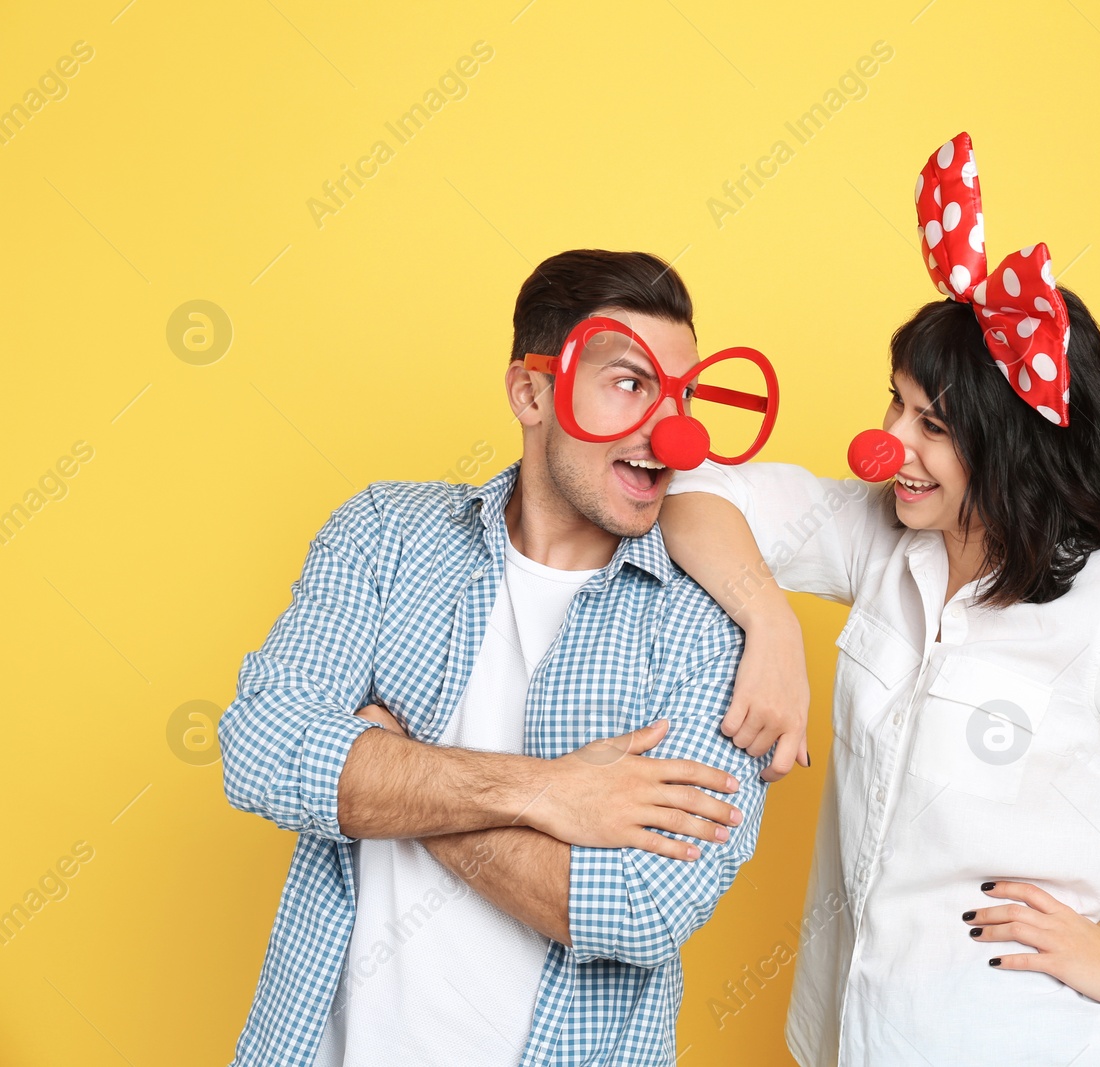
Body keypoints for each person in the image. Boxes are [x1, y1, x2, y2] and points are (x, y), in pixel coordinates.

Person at [658, 133, 1100, 1065]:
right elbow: (691, 492)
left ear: (1013, 448)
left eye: (933, 425)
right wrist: (772, 622)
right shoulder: (881, 535)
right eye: (895, 404)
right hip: (850, 1041)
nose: (887, 443)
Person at [218, 249, 778, 1067]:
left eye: (685, 395)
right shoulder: (387, 534)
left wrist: (394, 772)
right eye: (630, 382)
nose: (672, 431)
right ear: (531, 392)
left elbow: (641, 907)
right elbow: (260, 751)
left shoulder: (708, 627)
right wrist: (551, 791)